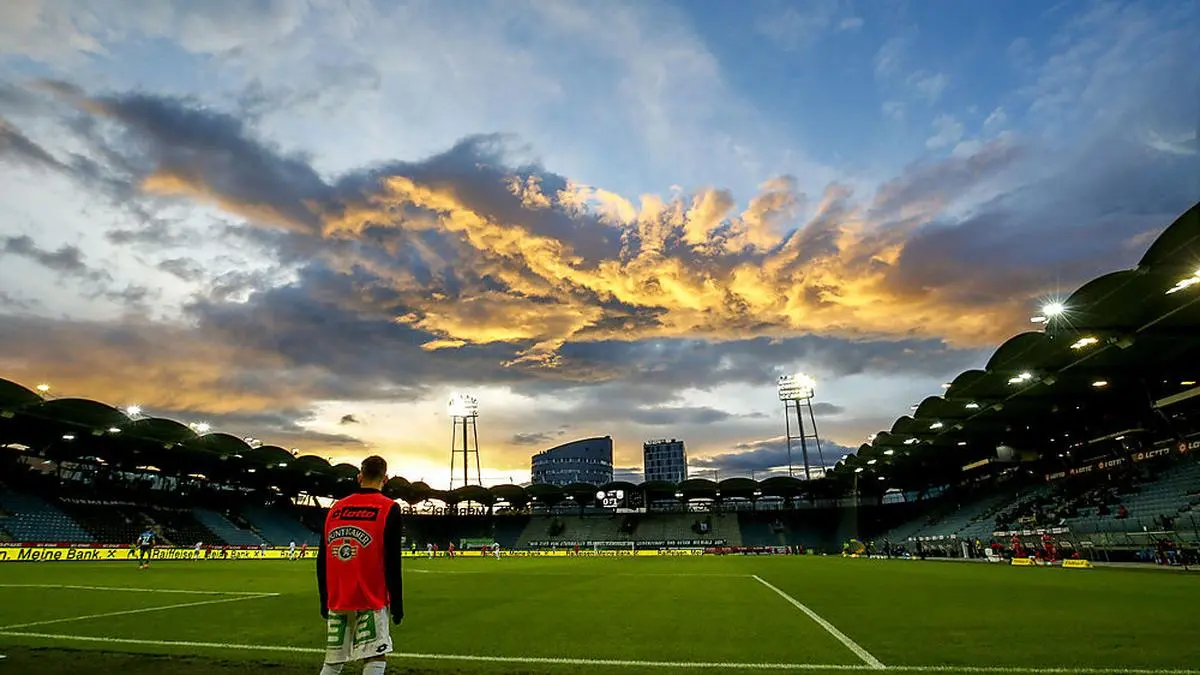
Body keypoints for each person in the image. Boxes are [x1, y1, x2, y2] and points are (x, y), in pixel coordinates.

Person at [317, 455, 404, 675]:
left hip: (338, 596)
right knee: (375, 655)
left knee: (334, 660)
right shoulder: (389, 508)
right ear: (385, 479)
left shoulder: (336, 508)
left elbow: (322, 558)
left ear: (359, 477)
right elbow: (393, 561)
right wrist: (397, 604)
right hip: (371, 597)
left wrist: (324, 598)